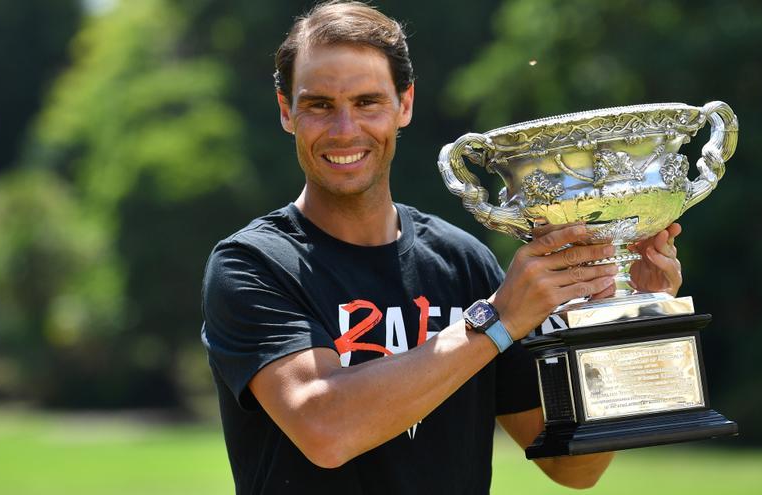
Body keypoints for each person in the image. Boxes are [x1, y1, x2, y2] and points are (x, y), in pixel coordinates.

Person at [201, 1, 684, 493]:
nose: (345, 129)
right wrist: (498, 321)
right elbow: (326, 429)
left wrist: (628, 323)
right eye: (319, 105)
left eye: (368, 102)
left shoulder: (462, 263)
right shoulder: (253, 265)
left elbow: (572, 466)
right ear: (287, 111)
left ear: (404, 104)